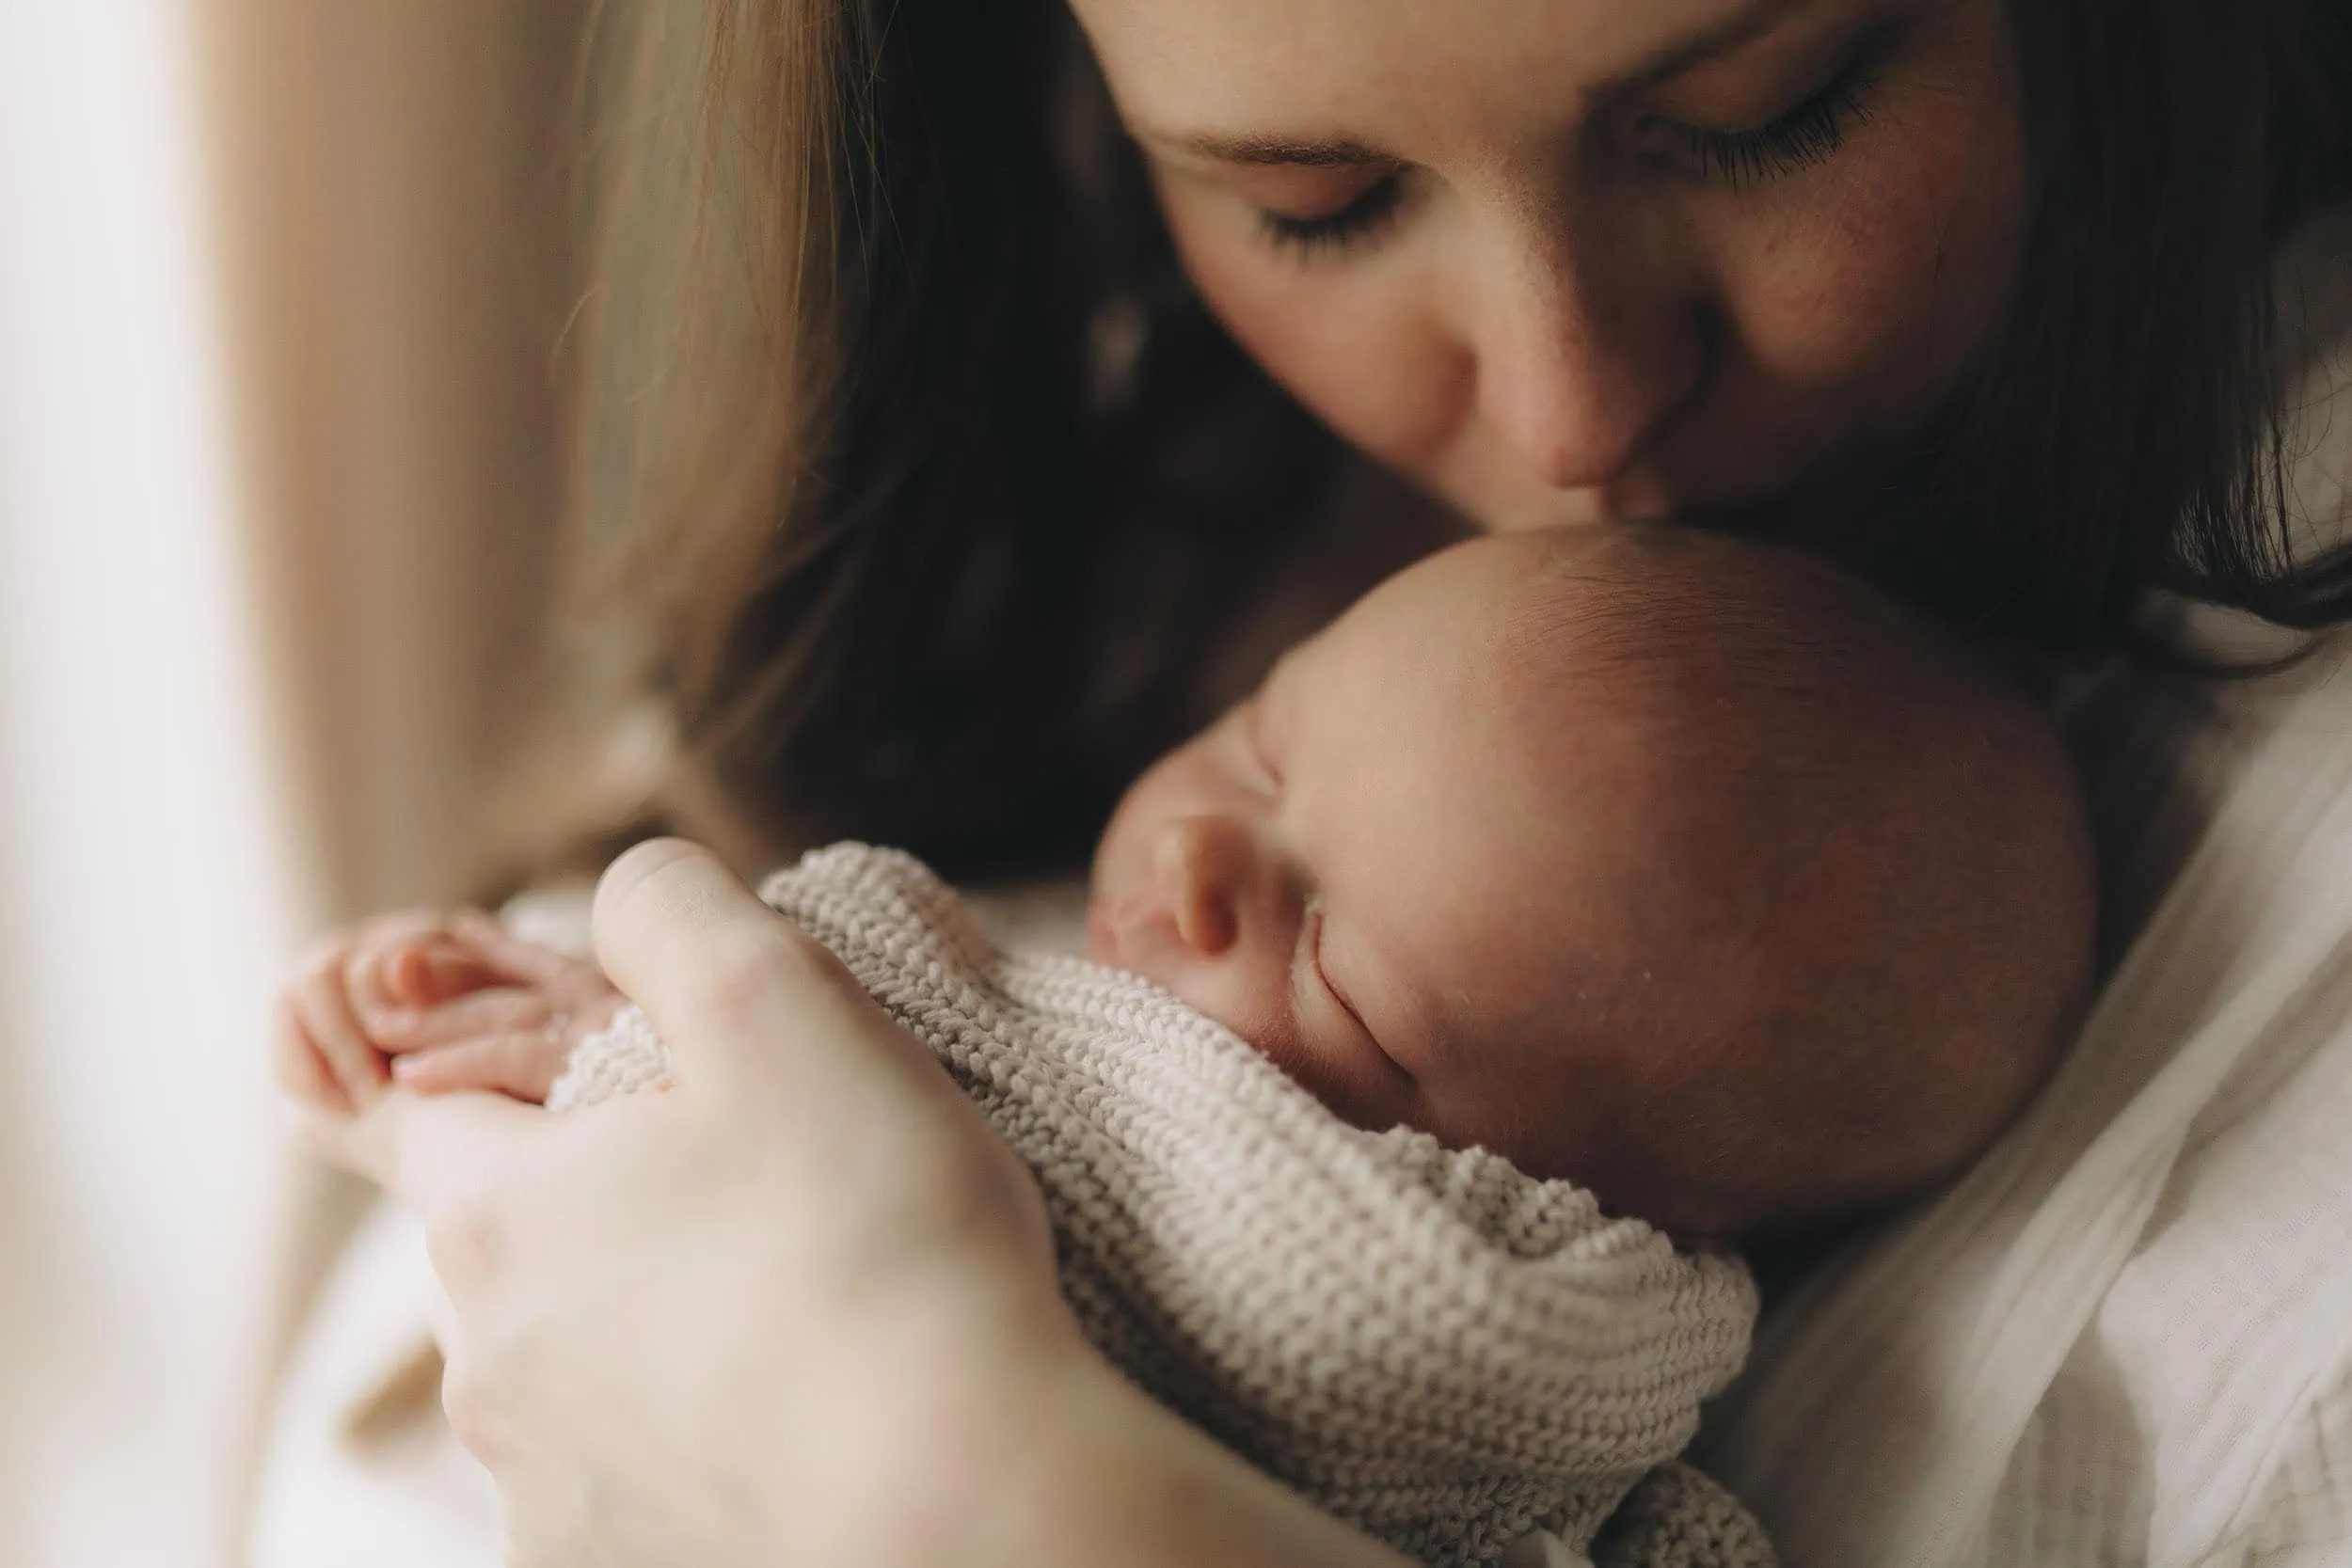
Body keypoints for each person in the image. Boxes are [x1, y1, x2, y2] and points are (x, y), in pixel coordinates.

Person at [246, 0, 2352, 1564]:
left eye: (1764, 110)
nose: (1564, 412)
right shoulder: (1091, 530)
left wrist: (981, 1490)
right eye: (1311, 203)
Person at [285, 527, 2090, 1563]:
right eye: (1260, 739)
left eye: (1353, 983)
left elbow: (860, 1129)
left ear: (1590, 1195)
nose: (1202, 860)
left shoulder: (1491, 1329)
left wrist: (596, 1044)